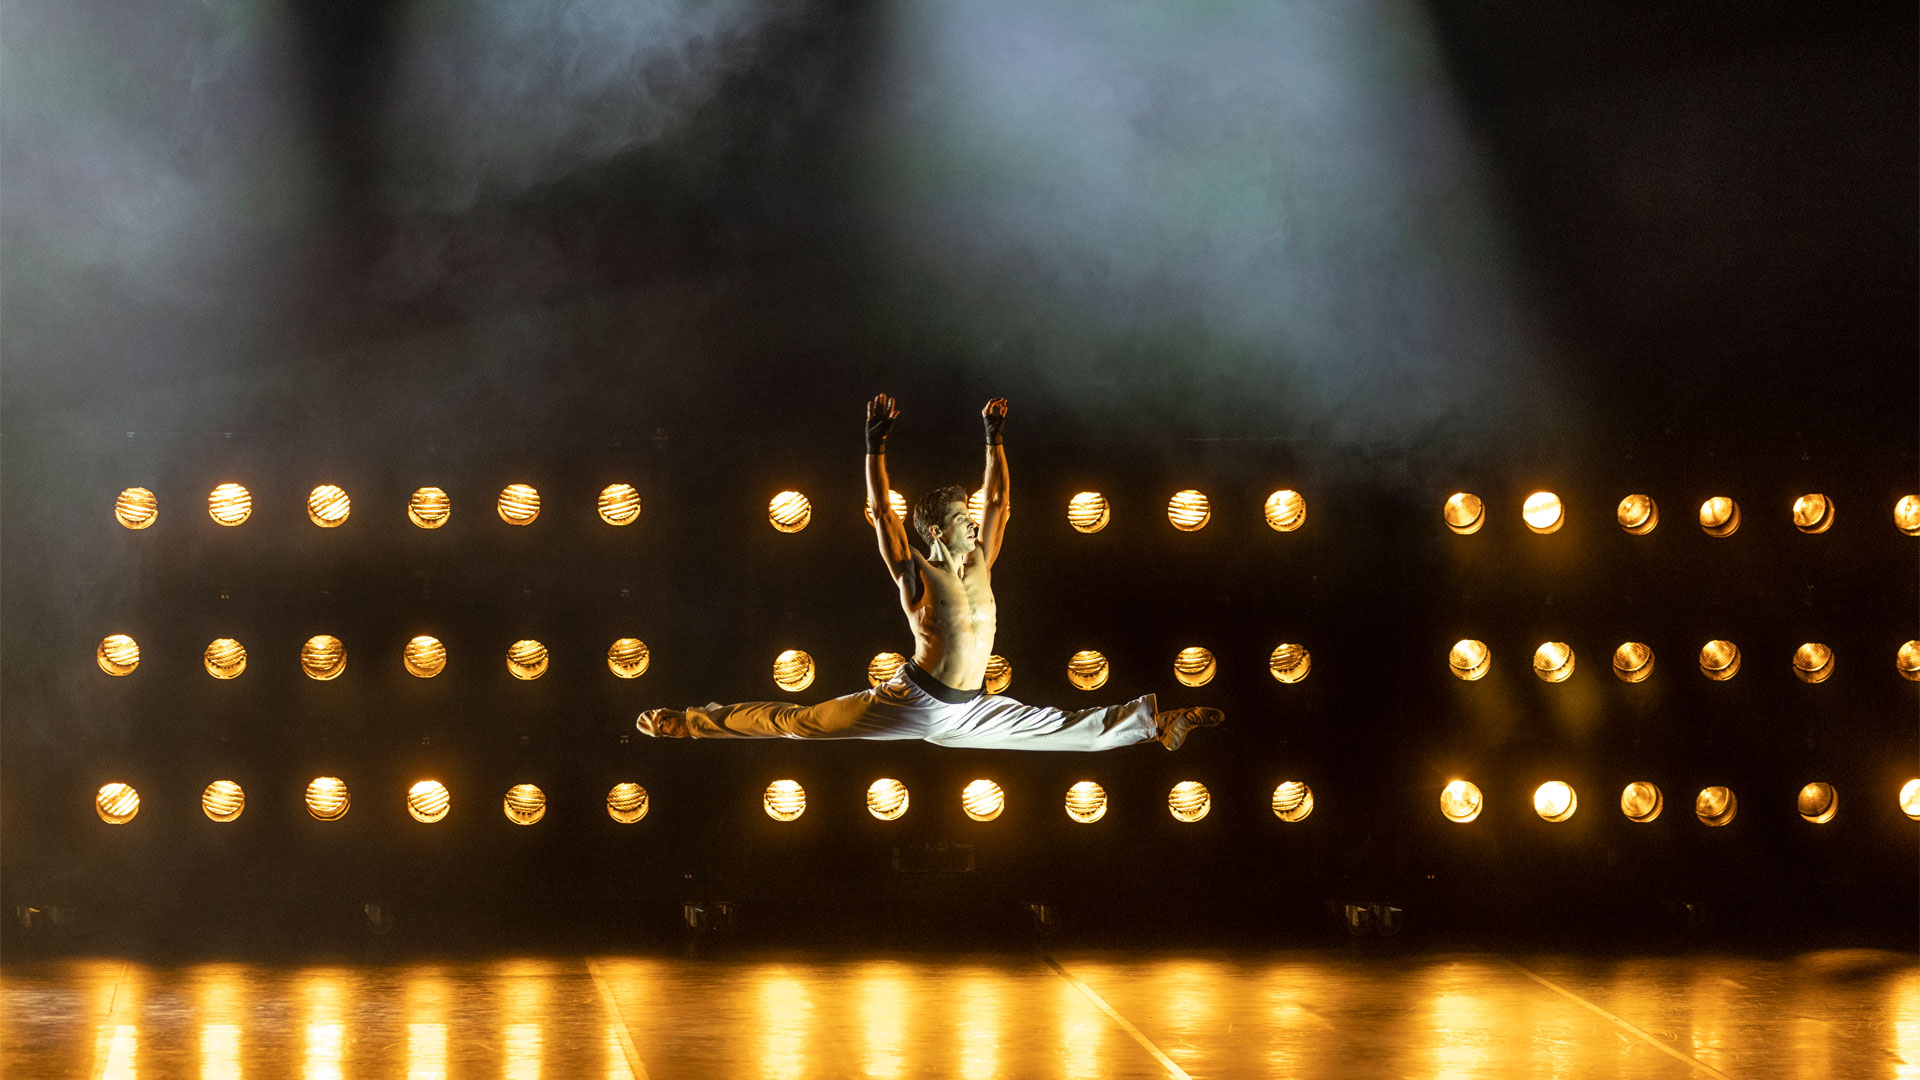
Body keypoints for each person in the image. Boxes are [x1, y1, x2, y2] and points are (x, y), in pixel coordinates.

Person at [635, 394, 1223, 750]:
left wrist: (994, 441)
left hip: (973, 706)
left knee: (1068, 730)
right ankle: (688, 723)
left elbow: (999, 505)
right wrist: (875, 449)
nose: (974, 523)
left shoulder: (982, 562)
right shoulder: (914, 573)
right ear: (938, 531)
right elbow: (881, 517)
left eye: (971, 516)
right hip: (911, 702)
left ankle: (1157, 724)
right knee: (799, 723)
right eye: (961, 519)